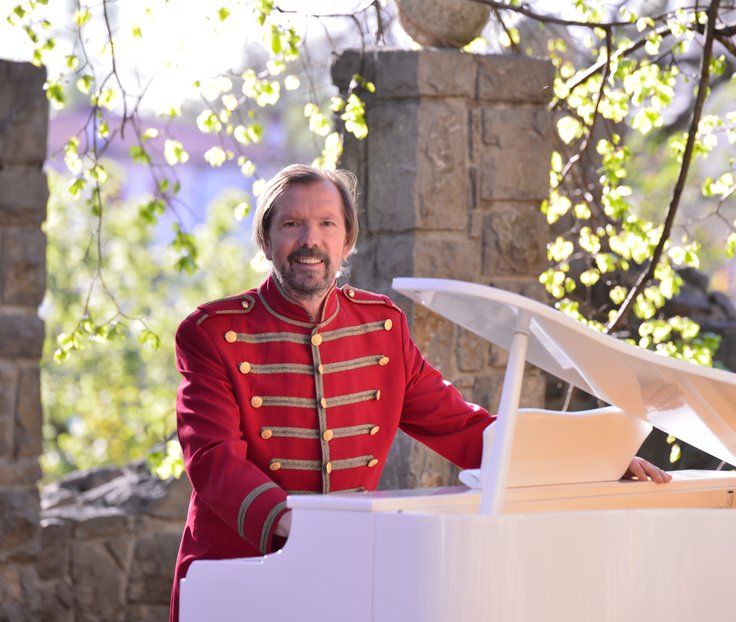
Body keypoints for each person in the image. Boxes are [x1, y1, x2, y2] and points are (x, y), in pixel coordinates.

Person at [169, 163, 670, 621]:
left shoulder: (381, 327)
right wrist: (297, 527)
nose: (310, 240)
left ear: (346, 241)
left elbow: (462, 426)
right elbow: (214, 460)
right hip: (237, 570)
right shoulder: (212, 331)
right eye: (292, 224)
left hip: (346, 569)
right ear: (266, 239)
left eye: (326, 224)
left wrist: (591, 457)